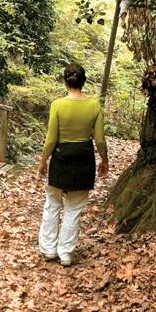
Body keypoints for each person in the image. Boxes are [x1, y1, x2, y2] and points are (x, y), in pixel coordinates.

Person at [37, 63, 108, 267]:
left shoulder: (57, 105)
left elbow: (51, 139)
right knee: (74, 208)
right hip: (83, 158)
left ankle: (49, 249)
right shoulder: (94, 105)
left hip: (60, 157)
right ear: (84, 82)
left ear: (64, 82)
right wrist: (105, 160)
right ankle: (66, 253)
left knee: (52, 204)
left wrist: (43, 161)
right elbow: (100, 139)